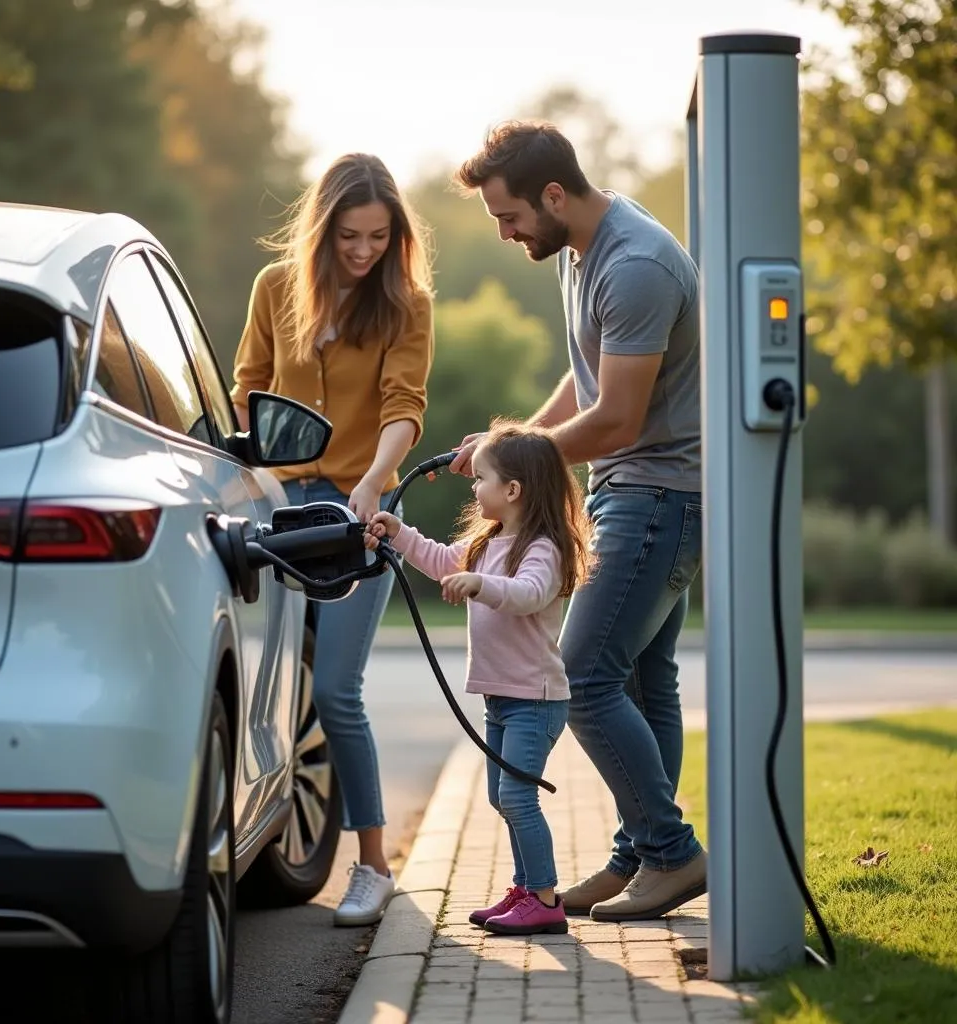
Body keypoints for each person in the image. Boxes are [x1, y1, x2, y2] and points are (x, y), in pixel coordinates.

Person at [450, 121, 707, 922]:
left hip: (658, 496)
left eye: (510, 216)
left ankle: (671, 853)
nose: (505, 233)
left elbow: (618, 418)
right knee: (641, 680)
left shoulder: (634, 265)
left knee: (585, 676)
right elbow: (590, 373)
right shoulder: (582, 251)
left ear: (554, 195)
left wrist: (519, 465)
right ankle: (644, 860)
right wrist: (514, 440)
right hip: (635, 492)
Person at [230, 153, 434, 927]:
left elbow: (403, 401)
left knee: (337, 689)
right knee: (272, 684)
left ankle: (373, 867)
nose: (363, 251)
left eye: (379, 237)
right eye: (350, 235)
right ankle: (263, 837)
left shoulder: (407, 302)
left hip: (357, 512)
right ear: (324, 228)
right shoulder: (275, 288)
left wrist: (376, 478)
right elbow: (249, 386)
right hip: (277, 510)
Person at [365, 422, 594, 936]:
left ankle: (545, 898)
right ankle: (526, 888)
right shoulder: (487, 541)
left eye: (482, 477)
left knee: (516, 797)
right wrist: (400, 535)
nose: (474, 486)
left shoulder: (543, 549)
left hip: (535, 701)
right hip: (503, 699)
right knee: (500, 795)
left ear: (513, 490)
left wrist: (480, 583)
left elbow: (529, 593)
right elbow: (442, 561)